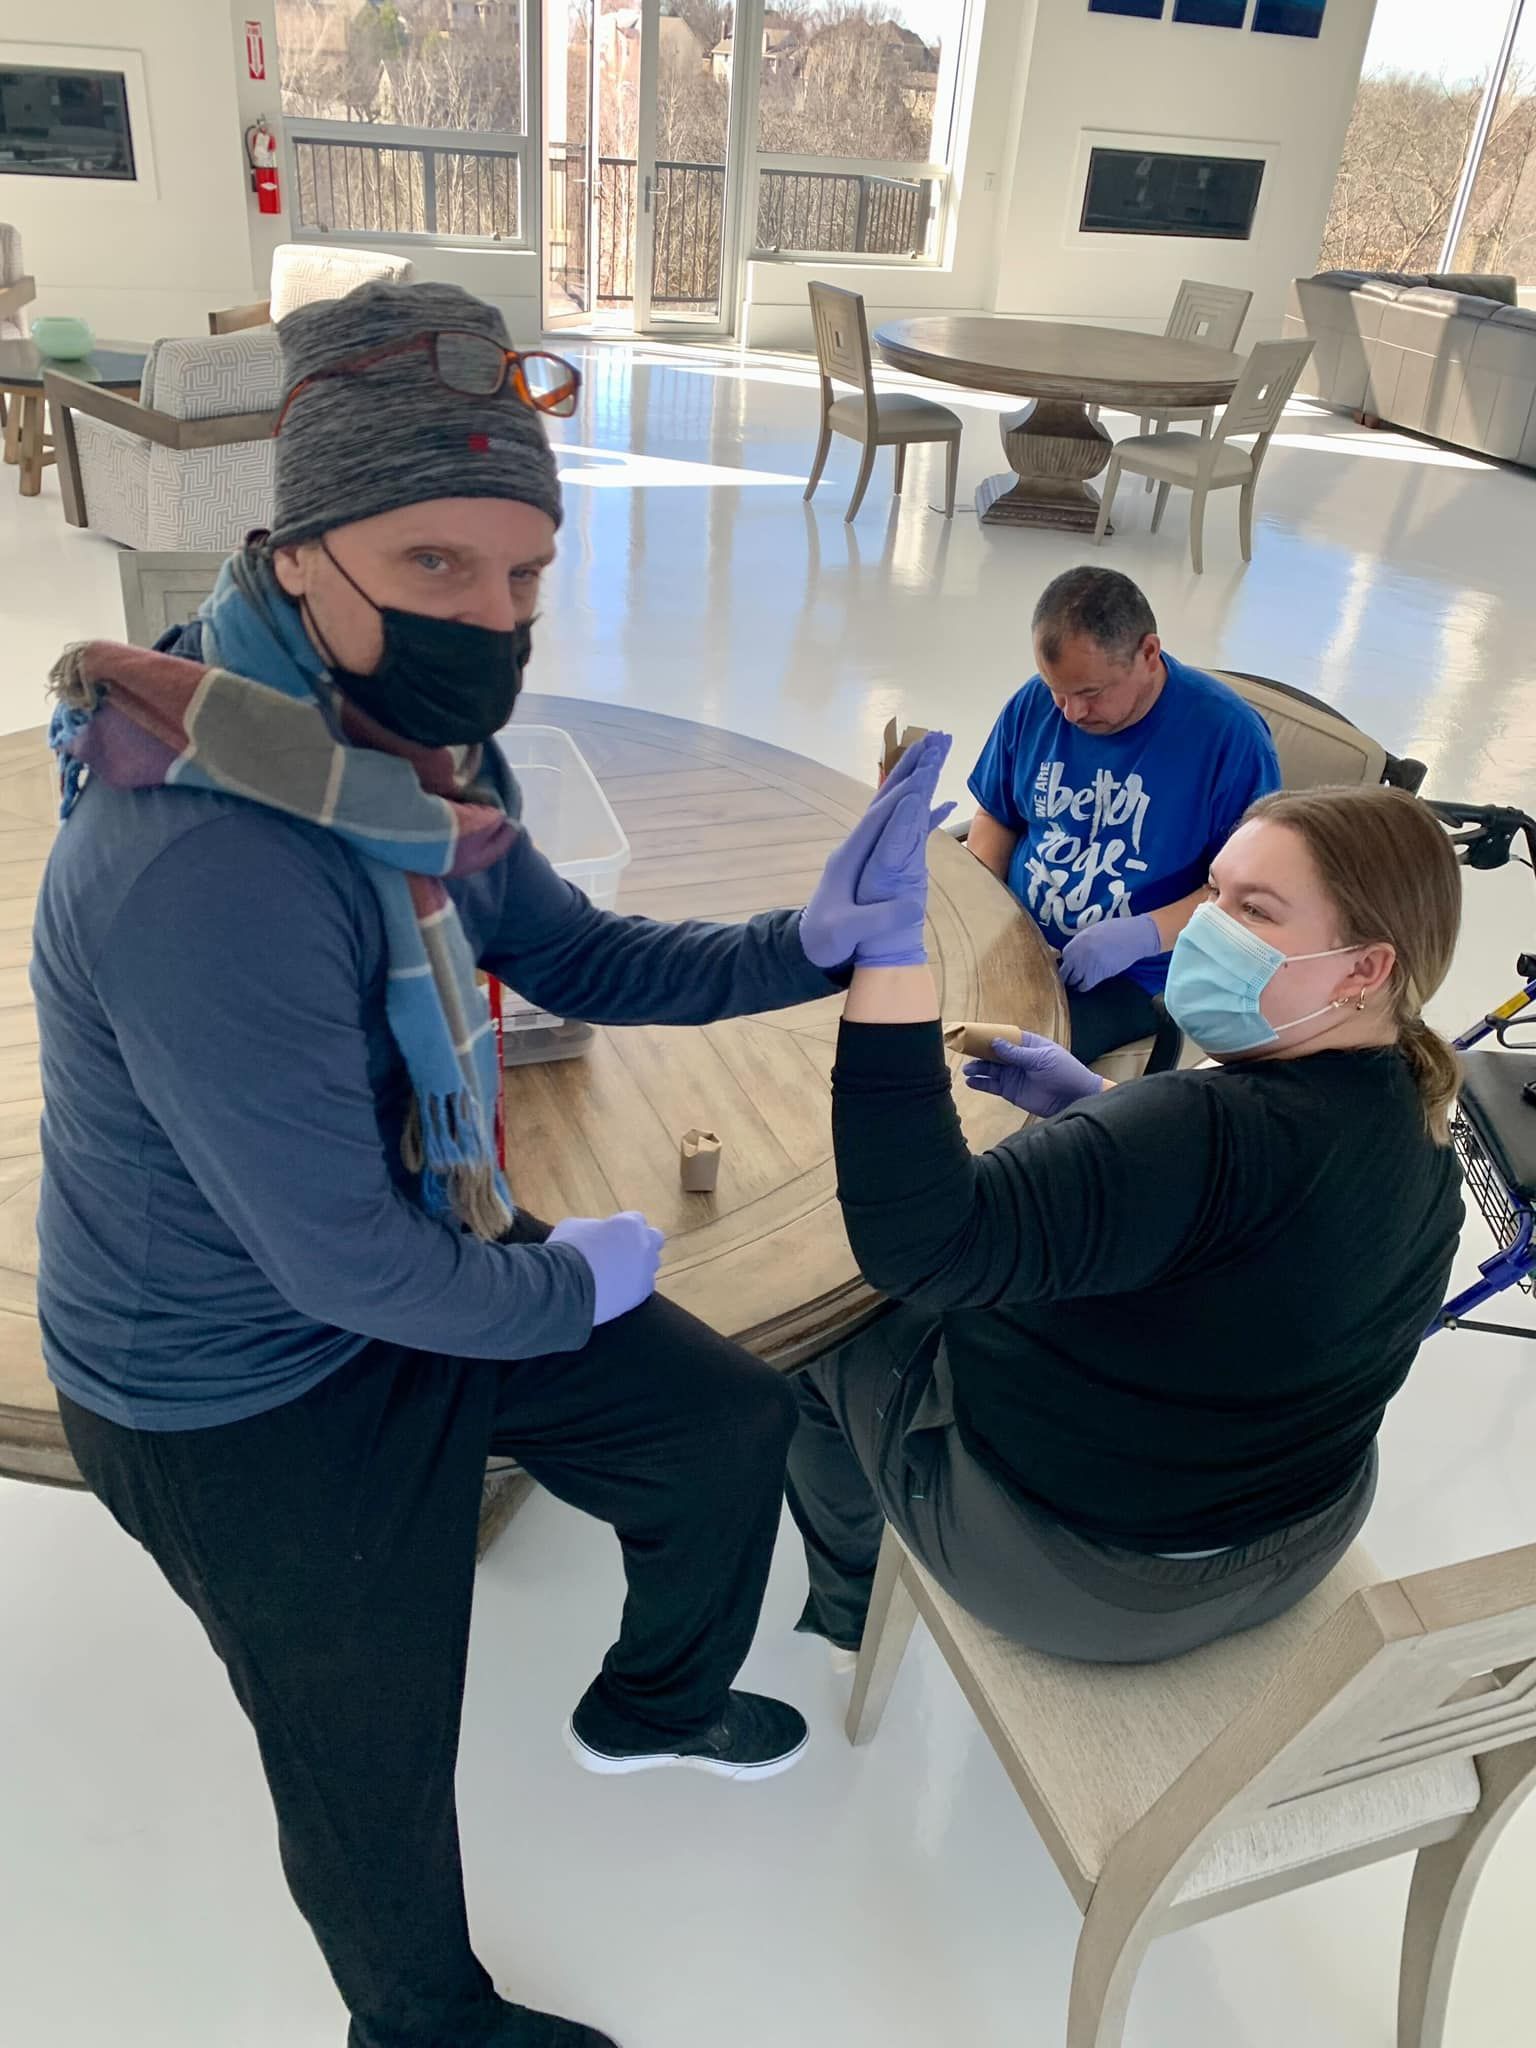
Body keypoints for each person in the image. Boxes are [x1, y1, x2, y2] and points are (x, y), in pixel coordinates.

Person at [32, 280, 938, 2048]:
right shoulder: (199, 859)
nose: (495, 616)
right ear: (297, 548)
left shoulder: (405, 746)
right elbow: (340, 1274)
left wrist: (805, 941)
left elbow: (576, 952)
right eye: (438, 566)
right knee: (365, 1733)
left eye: (525, 571)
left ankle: (656, 1697)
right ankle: (419, 2019)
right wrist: (555, 1281)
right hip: (232, 1375)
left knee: (719, 1420)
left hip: (409, 1233)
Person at [787, 742, 1465, 1666]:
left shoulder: (1203, 1128)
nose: (1206, 928)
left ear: (1362, 969)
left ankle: (847, 1602)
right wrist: (1099, 1110)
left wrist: (890, 977)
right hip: (1298, 1535)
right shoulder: (1419, 1119)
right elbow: (1251, 1247)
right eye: (1216, 894)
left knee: (828, 1325)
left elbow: (918, 1248)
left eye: (1255, 912)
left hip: (1094, 1581)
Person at [965, 566, 1281, 1066]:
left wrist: (1144, 934)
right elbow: (997, 816)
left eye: (1090, 693)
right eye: (1057, 690)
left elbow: (1249, 897)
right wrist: (975, 904)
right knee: (895, 1009)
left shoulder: (1228, 739)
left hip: (1135, 975)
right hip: (1016, 940)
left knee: (998, 1060)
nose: (1069, 712)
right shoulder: (1034, 704)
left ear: (1148, 654)